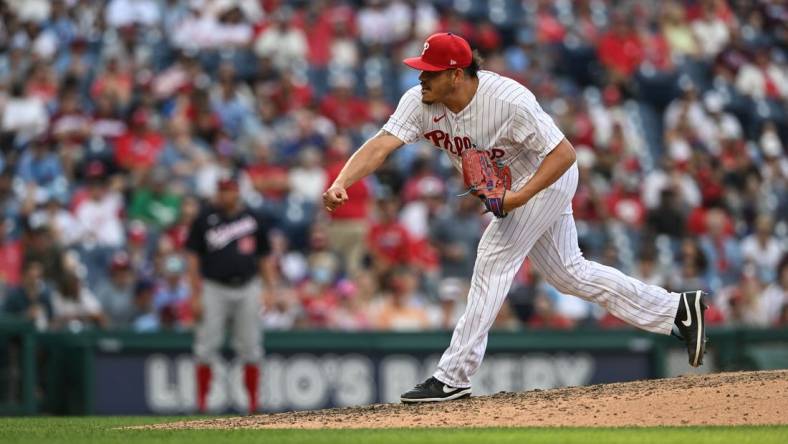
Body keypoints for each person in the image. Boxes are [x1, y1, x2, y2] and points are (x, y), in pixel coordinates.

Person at [322, 32, 709, 404]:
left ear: (457, 74)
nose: (420, 76)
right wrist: (343, 181)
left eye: (430, 70)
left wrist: (518, 196)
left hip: (546, 176)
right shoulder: (419, 102)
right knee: (568, 274)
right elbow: (381, 144)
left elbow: (564, 154)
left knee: (493, 257)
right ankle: (676, 309)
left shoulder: (508, 100)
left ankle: (453, 376)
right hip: (514, 183)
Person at [186, 177, 276, 414]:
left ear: (238, 192)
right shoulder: (204, 218)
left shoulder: (253, 218)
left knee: (251, 347)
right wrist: (195, 294)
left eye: (229, 191)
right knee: (205, 347)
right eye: (222, 191)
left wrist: (269, 289)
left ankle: (253, 404)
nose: (225, 195)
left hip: (248, 286)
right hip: (213, 287)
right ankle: (202, 404)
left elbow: (265, 256)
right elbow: (193, 258)